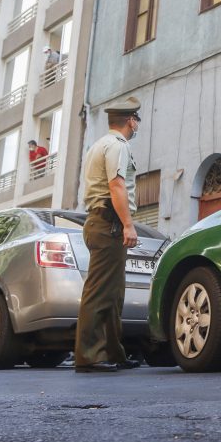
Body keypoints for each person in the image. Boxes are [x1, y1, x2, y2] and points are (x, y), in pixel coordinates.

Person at [74, 97, 143, 373]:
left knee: (113, 293)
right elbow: (116, 185)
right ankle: (89, 356)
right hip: (109, 223)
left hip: (101, 223)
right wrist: (128, 224)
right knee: (100, 292)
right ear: (130, 121)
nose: (137, 125)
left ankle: (113, 352)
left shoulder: (98, 146)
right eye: (136, 120)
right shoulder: (117, 146)